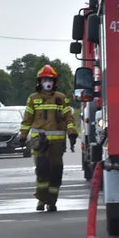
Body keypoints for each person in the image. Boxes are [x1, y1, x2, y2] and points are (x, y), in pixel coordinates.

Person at [18, 64, 78, 212]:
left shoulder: (61, 99)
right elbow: (27, 119)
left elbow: (68, 118)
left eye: (50, 79)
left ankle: (52, 201)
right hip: (40, 143)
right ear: (39, 81)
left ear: (55, 82)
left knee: (56, 172)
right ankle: (41, 200)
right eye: (44, 79)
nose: (47, 82)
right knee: (42, 170)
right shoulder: (33, 99)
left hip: (57, 144)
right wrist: (23, 135)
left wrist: (72, 132)